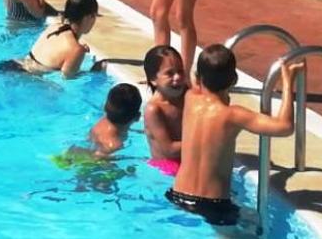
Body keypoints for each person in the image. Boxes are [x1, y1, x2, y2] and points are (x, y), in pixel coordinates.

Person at [168, 44, 304, 226]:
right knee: (251, 235)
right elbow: (285, 127)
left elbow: (195, 77)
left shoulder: (190, 98)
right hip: (214, 205)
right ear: (234, 80)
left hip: (177, 195)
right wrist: (287, 82)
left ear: (199, 78)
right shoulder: (233, 115)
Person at [0, 0, 98, 78]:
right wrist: (94, 71)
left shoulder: (55, 27)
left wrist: (79, 50)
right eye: (94, 16)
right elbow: (68, 78)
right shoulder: (76, 49)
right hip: (20, 76)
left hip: (10, 65)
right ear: (88, 17)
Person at [143, 45, 186, 176]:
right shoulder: (154, 109)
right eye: (170, 73)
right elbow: (169, 150)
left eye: (180, 71)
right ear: (153, 79)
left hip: (186, 162)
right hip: (166, 169)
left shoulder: (186, 96)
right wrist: (204, 140)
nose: (177, 77)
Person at [88, 83, 143, 157]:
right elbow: (97, 158)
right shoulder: (114, 145)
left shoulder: (103, 121)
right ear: (137, 117)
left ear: (105, 107)